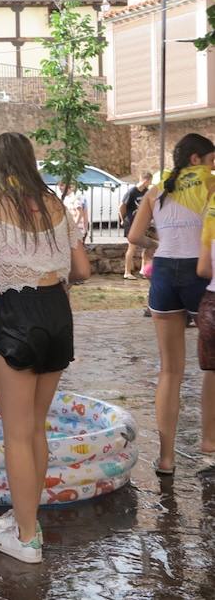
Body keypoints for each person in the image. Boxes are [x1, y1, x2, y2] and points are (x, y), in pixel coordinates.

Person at [0, 132, 90, 564]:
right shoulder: (57, 206)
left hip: (18, 315)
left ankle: (25, 537)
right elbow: (83, 269)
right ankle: (25, 517)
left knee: (17, 433)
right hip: (58, 313)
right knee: (36, 426)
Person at [129, 133, 215, 475]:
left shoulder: (157, 190)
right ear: (196, 159)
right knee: (211, 366)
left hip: (163, 271)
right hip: (200, 273)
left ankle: (166, 458)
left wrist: (158, 242)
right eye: (211, 160)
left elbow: (134, 237)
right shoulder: (208, 186)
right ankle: (210, 442)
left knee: (169, 370)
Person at [197, 193, 215, 456]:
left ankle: (209, 439)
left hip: (211, 304)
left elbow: (202, 269)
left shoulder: (211, 215)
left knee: (212, 373)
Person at [121, 171, 154, 279]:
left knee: (146, 246)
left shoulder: (146, 192)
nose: (150, 184)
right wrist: (122, 219)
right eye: (150, 182)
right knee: (132, 247)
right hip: (131, 223)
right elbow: (122, 206)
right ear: (146, 181)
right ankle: (127, 272)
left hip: (141, 223)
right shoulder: (132, 192)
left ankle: (143, 270)